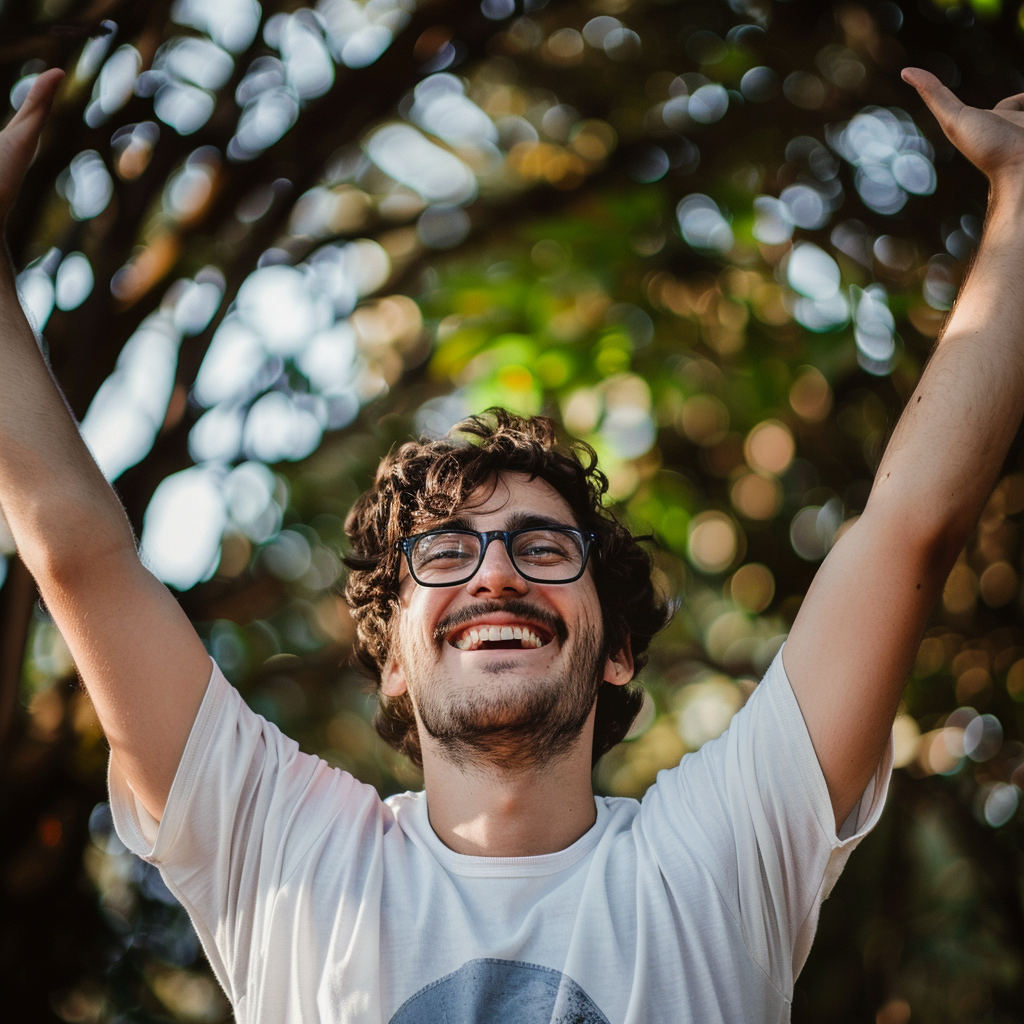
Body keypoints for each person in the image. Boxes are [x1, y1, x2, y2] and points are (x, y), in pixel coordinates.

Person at [1, 64, 1022, 1022]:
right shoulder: (287, 855)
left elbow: (909, 528)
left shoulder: (716, 857)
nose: (494, 570)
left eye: (543, 550)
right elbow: (77, 551)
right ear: (392, 659)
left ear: (616, 648)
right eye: (445, 555)